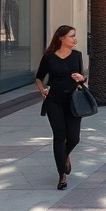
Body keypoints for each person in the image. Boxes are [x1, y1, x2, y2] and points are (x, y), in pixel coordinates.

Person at [34, 25, 86, 190]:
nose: (74, 39)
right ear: (61, 38)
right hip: (54, 101)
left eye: (74, 36)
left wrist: (80, 78)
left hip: (73, 101)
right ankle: (62, 175)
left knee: (74, 138)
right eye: (71, 36)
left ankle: (65, 156)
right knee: (59, 136)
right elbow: (39, 77)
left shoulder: (77, 55)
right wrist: (42, 90)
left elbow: (82, 78)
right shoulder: (49, 57)